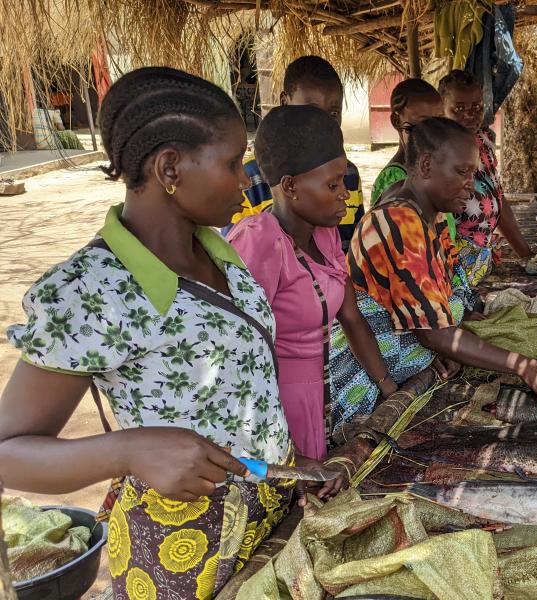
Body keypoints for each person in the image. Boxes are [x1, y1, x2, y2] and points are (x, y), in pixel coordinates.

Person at [0, 67, 335, 599]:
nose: (248, 177)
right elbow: (7, 449)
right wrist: (127, 450)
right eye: (231, 163)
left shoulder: (220, 250)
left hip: (266, 511)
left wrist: (286, 468)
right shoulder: (91, 291)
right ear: (170, 167)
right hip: (179, 550)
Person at [330, 117, 537, 443]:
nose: (471, 185)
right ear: (425, 166)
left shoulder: (430, 213)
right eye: (462, 173)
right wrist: (526, 367)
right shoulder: (399, 220)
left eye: (474, 174)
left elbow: (445, 293)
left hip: (401, 349)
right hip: (360, 370)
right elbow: (434, 334)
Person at [227, 105, 396, 461]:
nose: (344, 195)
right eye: (332, 185)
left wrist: (388, 388)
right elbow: (237, 360)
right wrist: (288, 454)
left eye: (343, 182)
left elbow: (351, 318)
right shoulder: (259, 243)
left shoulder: (326, 235)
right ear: (290, 186)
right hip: (274, 414)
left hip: (319, 399)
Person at [225, 56, 365, 252]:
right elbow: (239, 261)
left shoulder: (349, 174)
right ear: (284, 102)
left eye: (333, 113)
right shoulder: (248, 180)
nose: (322, 122)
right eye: (311, 110)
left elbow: (352, 247)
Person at [438, 70, 533, 285]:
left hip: (481, 260)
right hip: (451, 267)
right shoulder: (440, 150)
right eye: (459, 108)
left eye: (477, 106)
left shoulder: (485, 141)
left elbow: (497, 198)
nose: (470, 114)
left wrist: (526, 254)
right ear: (441, 110)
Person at [369, 78, 444, 205]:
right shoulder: (394, 177)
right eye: (423, 123)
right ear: (397, 121)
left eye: (440, 121)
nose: (434, 130)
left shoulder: (427, 166)